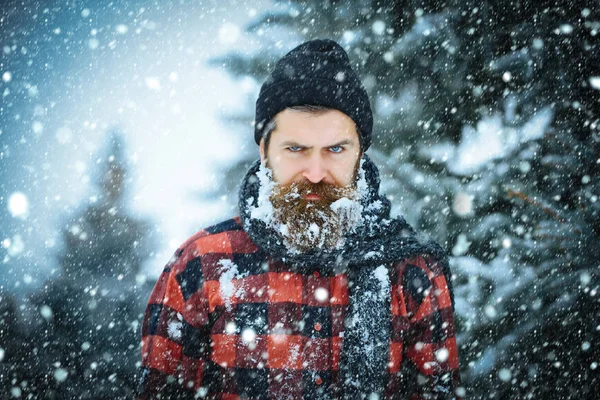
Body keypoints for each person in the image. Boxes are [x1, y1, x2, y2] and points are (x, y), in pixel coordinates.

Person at [138, 39, 462, 399]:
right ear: (264, 151)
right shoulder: (202, 264)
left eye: (335, 149)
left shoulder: (411, 270)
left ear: (360, 154)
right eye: (296, 149)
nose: (315, 172)